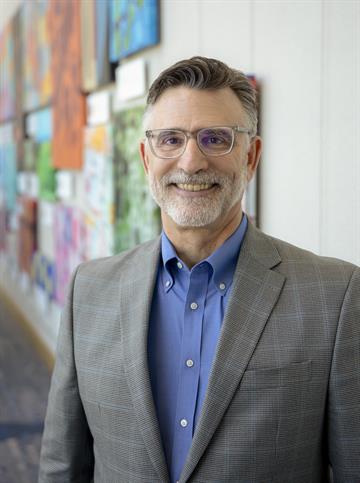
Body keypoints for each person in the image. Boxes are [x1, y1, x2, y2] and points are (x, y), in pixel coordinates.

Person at [39, 56, 360, 483]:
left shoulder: (334, 296)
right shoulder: (89, 291)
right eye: (170, 139)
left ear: (252, 156)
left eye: (215, 139)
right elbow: (63, 465)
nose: (191, 162)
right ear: (145, 158)